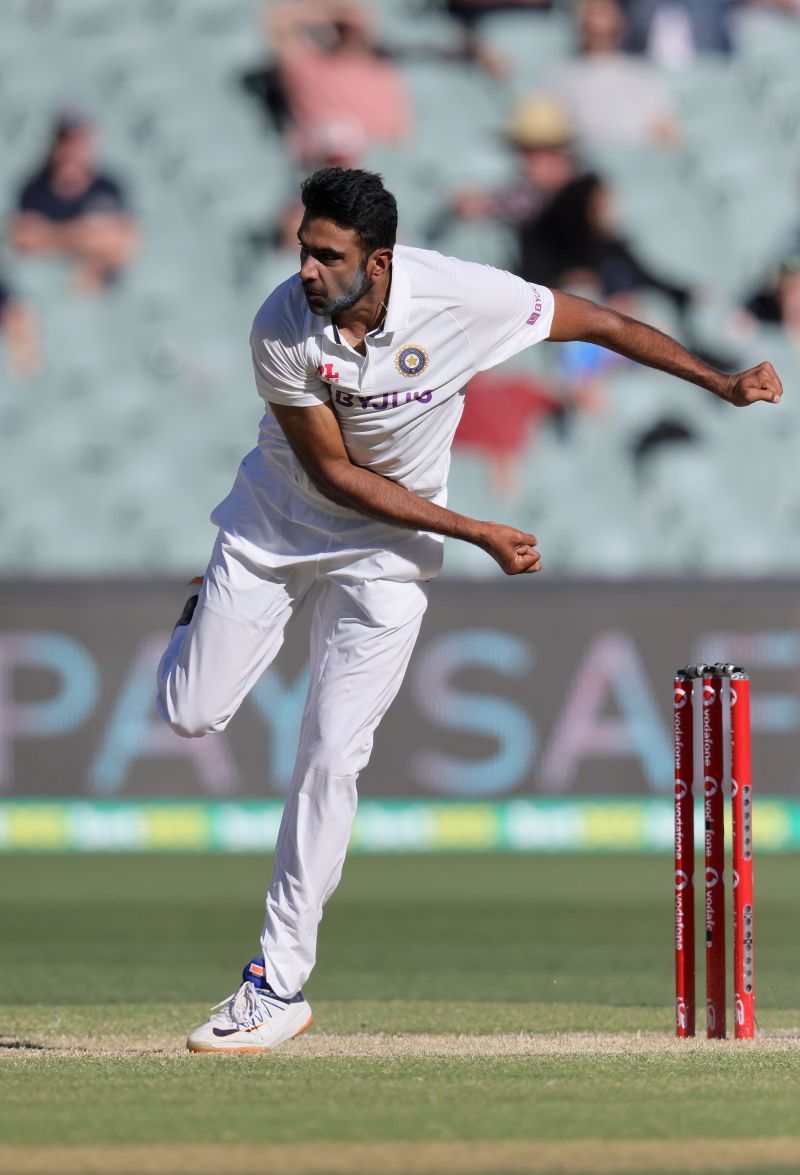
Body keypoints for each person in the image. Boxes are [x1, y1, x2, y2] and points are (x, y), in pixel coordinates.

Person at [155, 167, 781, 1053]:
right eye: (303, 249)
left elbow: (599, 321)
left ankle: (277, 984)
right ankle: (201, 612)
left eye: (326, 255)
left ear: (378, 262)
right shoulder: (280, 326)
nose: (305, 269)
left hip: (387, 555)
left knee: (333, 756)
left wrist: (715, 380)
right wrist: (475, 529)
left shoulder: (463, 296)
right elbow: (337, 476)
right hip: (277, 525)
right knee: (189, 713)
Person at [8, 109, 137, 292]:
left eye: (78, 141)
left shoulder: (109, 189)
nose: (71, 150)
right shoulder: (33, 190)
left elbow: (124, 243)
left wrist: (50, 236)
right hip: (43, 288)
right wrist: (89, 232)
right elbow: (22, 241)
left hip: (94, 287)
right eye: (65, 141)